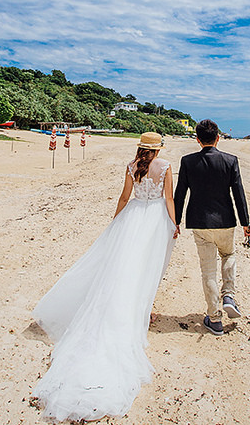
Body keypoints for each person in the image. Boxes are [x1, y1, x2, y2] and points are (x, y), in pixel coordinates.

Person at [32, 132, 178, 422]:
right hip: (152, 221)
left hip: (133, 217)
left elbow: (125, 198)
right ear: (158, 149)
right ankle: (140, 313)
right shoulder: (165, 166)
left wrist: (115, 223)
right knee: (144, 270)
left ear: (141, 147)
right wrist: (174, 223)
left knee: (123, 269)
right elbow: (168, 198)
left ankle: (133, 311)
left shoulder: (131, 165)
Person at [173, 119, 250, 336]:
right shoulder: (230, 161)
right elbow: (239, 194)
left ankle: (215, 319)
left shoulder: (188, 162)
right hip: (226, 221)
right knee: (229, 255)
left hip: (199, 222)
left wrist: (175, 222)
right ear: (218, 138)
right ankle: (228, 295)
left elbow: (180, 194)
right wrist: (246, 223)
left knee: (207, 270)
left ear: (198, 140)